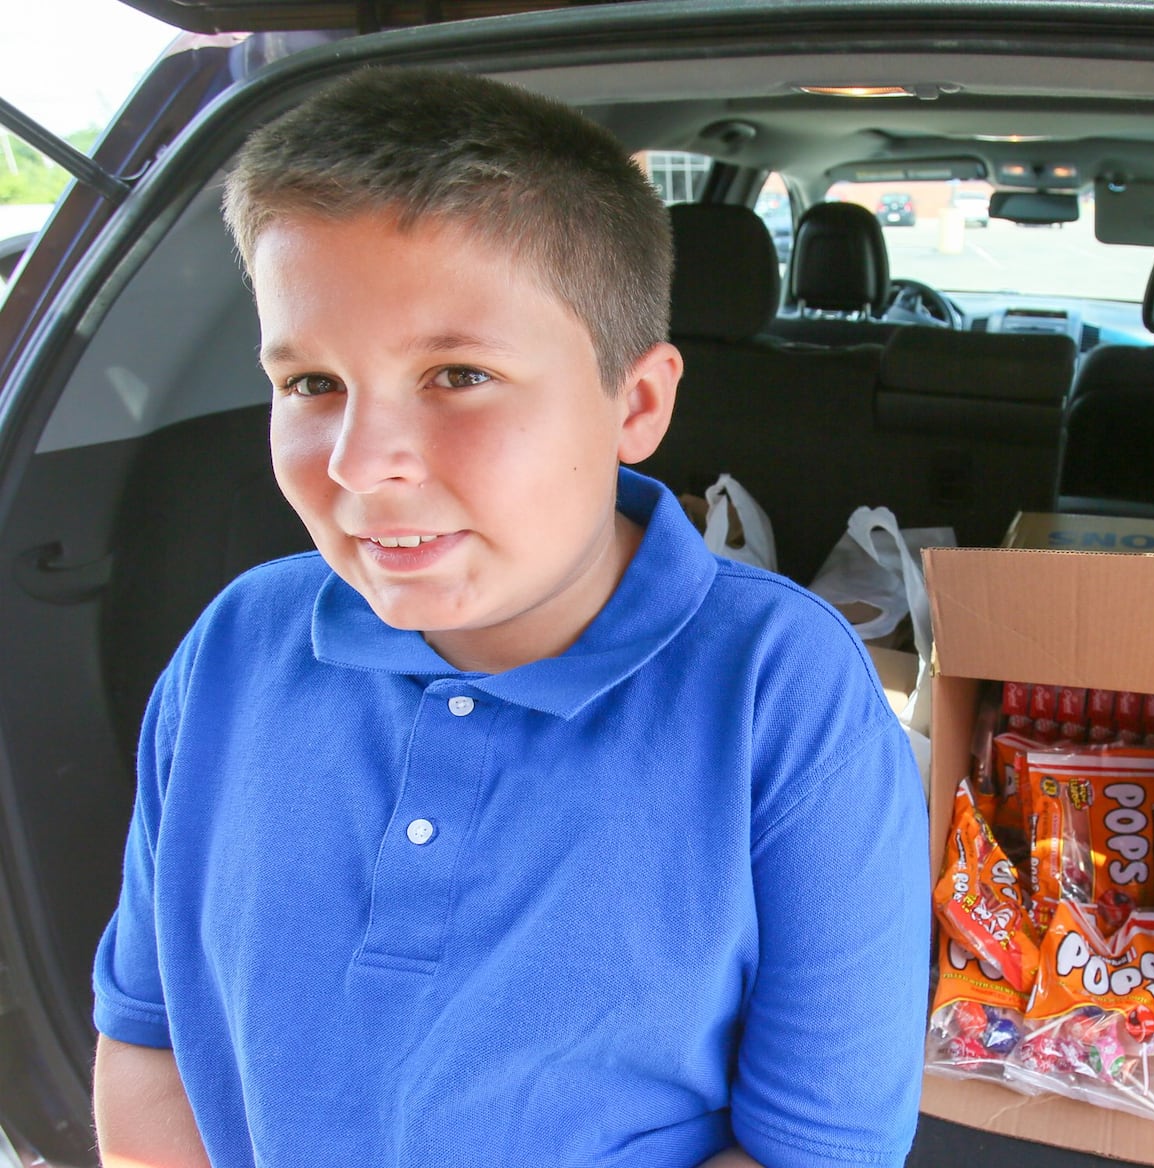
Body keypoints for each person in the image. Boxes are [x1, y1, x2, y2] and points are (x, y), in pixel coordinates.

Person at [91, 66, 931, 1168]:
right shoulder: (238, 648)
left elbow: (815, 1147)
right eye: (310, 385)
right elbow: (145, 1033)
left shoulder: (780, 692)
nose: (360, 465)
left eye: (456, 374)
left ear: (635, 402)